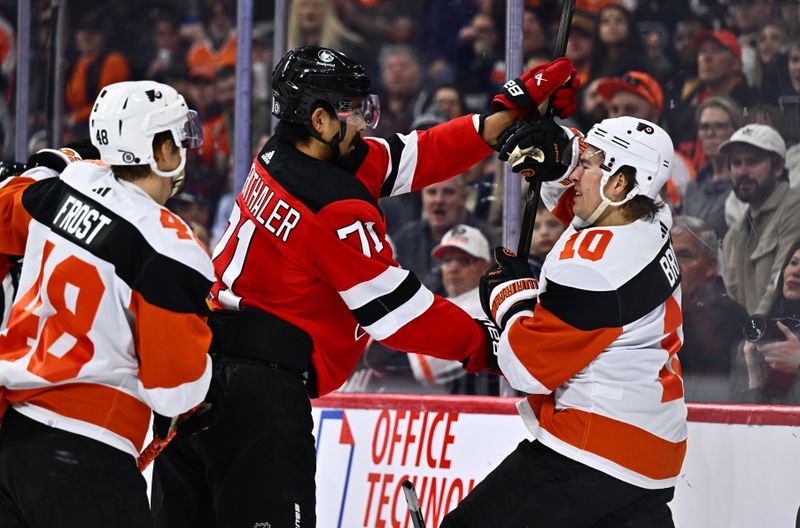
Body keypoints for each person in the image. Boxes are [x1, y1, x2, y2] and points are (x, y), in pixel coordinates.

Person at [152, 46, 580, 528]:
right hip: (258, 400)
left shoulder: (283, 153)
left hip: (197, 381)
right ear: (319, 119)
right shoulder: (330, 204)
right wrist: (495, 345)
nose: (363, 123)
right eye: (354, 111)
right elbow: (399, 313)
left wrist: (500, 119)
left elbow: (410, 156)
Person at [443, 115, 686, 526]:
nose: (578, 176)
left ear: (620, 183)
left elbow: (525, 368)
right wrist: (563, 152)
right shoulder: (653, 216)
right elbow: (581, 200)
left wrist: (511, 296)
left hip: (593, 448)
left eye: (589, 164)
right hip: (654, 450)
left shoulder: (593, 270)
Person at [0, 80, 211, 527]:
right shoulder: (171, 246)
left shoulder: (64, 187)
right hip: (88, 452)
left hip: (12, 439)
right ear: (163, 150)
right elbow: (175, 392)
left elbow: (8, 209)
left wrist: (48, 164)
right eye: (179, 138)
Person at [720, 124, 800, 315]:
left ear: (778, 167)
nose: (743, 171)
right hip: (755, 339)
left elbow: (777, 280)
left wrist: (755, 333)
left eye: (752, 162)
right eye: (737, 163)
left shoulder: (795, 206)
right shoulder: (735, 233)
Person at [407, 224, 496, 394]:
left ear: (485, 266)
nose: (453, 268)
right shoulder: (447, 302)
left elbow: (417, 368)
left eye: (464, 260)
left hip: (482, 410)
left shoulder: (486, 305)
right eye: (447, 261)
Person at [671, 216, 747, 402]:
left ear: (710, 267)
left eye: (685, 255)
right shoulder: (647, 311)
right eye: (668, 254)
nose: (673, 263)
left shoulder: (732, 319)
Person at [738, 237, 800, 404]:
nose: (796, 271)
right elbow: (743, 418)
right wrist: (754, 374)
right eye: (793, 263)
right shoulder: (763, 330)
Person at [683, 96, 744, 239]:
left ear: (736, 130)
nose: (710, 133)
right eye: (704, 127)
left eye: (719, 126)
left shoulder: (744, 183)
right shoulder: (693, 186)